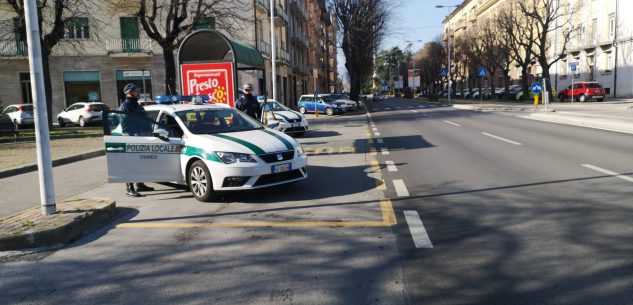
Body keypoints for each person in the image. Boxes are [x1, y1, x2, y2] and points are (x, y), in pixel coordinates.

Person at [118, 83, 155, 197]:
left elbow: (144, 121)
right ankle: (129, 188)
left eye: (138, 91)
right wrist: (133, 137)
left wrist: (150, 134)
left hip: (141, 137)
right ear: (129, 92)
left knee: (140, 163)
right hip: (132, 138)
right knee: (131, 164)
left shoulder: (137, 106)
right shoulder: (125, 106)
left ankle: (140, 184)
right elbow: (125, 125)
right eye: (135, 91)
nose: (138, 93)